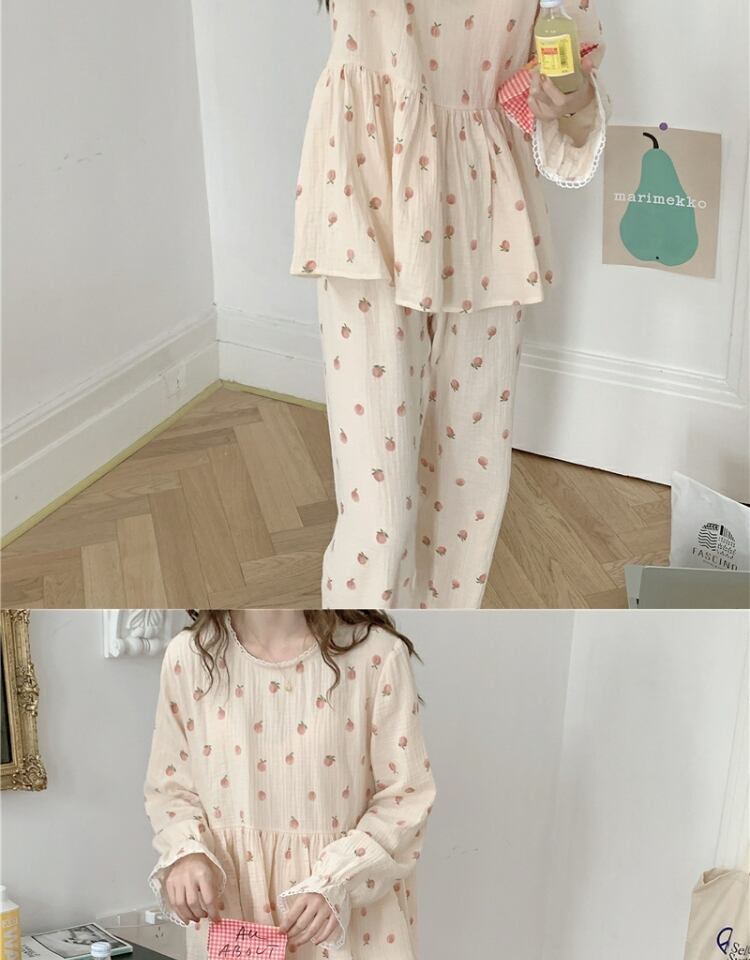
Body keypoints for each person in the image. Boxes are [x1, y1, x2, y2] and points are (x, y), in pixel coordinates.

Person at [290, 0, 611, 608]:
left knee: (471, 481)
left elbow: (575, 91)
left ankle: (438, 641)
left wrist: (567, 97)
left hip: (487, 202)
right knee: (379, 511)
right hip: (367, 188)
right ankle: (362, 644)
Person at [144, 610, 435, 960]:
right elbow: (169, 787)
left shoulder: (375, 654)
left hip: (343, 919)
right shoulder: (189, 657)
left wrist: (338, 879)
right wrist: (186, 853)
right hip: (234, 918)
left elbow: (405, 797)